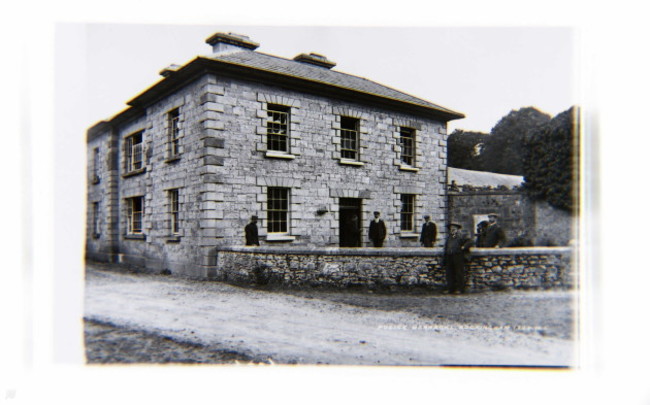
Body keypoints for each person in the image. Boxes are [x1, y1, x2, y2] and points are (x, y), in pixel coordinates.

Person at [442, 223, 473, 294]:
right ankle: (450, 289)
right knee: (449, 273)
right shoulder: (449, 237)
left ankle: (460, 289)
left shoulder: (461, 236)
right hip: (449, 256)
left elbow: (470, 241)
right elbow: (446, 247)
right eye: (451, 228)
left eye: (454, 228)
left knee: (459, 273)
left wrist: (464, 247)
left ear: (457, 229)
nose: (452, 230)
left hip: (458, 256)